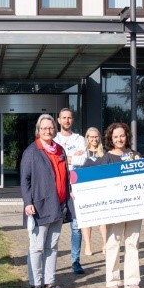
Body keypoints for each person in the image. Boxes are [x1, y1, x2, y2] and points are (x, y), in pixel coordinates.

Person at [21, 114, 71, 288]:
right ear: (38, 130)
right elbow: (24, 180)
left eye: (50, 128)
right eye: (44, 128)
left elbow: (65, 176)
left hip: (58, 206)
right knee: (37, 247)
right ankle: (36, 284)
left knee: (52, 246)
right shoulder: (32, 151)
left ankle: (50, 282)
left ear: (54, 130)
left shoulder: (59, 150)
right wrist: (28, 202)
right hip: (39, 207)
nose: (47, 131)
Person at [98, 122, 144, 288]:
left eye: (122, 136)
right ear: (111, 138)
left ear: (127, 136)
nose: (119, 139)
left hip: (134, 207)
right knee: (113, 243)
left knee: (132, 243)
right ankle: (113, 280)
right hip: (115, 209)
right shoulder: (107, 158)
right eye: (116, 136)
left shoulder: (136, 156)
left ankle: (132, 279)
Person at [53, 107, 87, 274]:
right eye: (64, 118)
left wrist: (64, 157)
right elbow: (53, 161)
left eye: (69, 117)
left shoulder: (79, 139)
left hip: (75, 186)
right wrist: (72, 157)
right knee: (55, 226)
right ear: (58, 120)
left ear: (72, 120)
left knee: (76, 226)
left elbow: (83, 160)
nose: (67, 120)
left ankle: (75, 261)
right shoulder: (54, 139)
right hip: (58, 185)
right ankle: (51, 262)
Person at [81, 127, 107, 256]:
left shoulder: (105, 154)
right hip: (86, 192)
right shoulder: (82, 153)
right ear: (87, 138)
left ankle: (105, 244)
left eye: (96, 136)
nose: (94, 139)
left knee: (103, 220)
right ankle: (88, 245)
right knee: (87, 220)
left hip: (101, 191)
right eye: (91, 137)